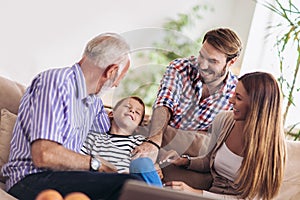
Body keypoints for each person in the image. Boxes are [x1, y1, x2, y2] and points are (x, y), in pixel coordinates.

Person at [1, 33, 143, 200]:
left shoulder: (94, 102)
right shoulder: (55, 82)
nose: (117, 84)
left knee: (135, 184)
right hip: (29, 179)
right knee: (128, 185)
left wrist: (149, 143)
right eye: (120, 78)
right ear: (111, 72)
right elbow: (44, 154)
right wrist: (96, 164)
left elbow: (110, 131)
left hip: (65, 179)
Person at [132, 28, 243, 186]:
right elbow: (164, 104)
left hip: (195, 166)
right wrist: (155, 142)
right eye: (201, 56)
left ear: (231, 62)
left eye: (213, 61)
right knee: (140, 163)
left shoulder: (235, 93)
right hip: (162, 150)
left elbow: (213, 145)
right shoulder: (180, 68)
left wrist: (172, 135)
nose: (203, 65)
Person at [162, 72, 286, 200]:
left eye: (238, 97)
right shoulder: (224, 120)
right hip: (209, 192)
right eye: (234, 94)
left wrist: (194, 192)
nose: (231, 100)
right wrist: (185, 161)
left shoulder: (272, 149)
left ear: (256, 106)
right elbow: (208, 160)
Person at [81, 96, 163, 187]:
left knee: (142, 163)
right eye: (128, 107)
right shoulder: (93, 138)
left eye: (137, 112)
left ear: (138, 127)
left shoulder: (142, 143)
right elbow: (80, 162)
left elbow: (151, 163)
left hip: (131, 186)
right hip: (99, 182)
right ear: (112, 113)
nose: (132, 111)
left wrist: (155, 167)